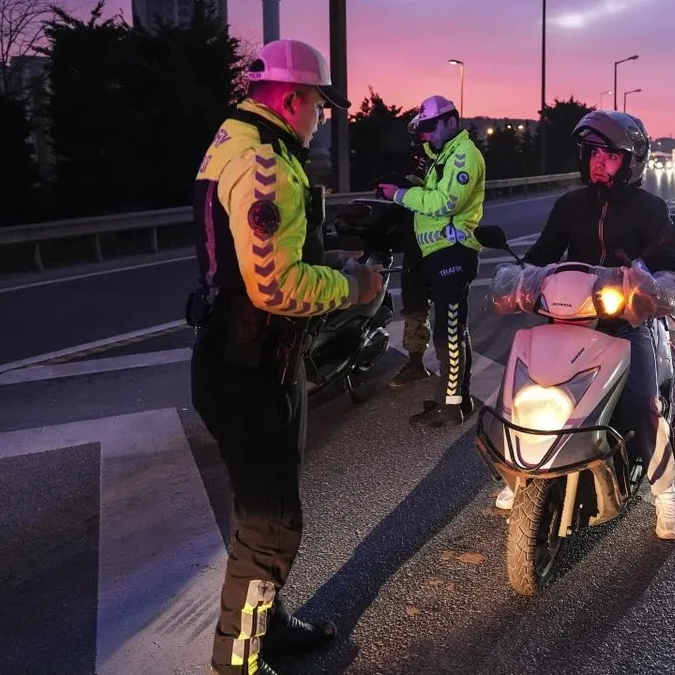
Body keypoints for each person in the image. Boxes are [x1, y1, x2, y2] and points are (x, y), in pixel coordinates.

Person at [187, 38, 383, 675]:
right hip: (249, 367)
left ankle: (267, 627)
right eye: (319, 106)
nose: (321, 117)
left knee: (268, 504)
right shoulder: (264, 164)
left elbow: (271, 260)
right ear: (292, 99)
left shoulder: (235, 140)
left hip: (254, 359)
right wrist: (354, 287)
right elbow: (275, 286)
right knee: (270, 525)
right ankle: (237, 661)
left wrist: (329, 258)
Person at [497, 110, 675, 540]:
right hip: (569, 315)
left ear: (632, 161)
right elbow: (545, 251)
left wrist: (649, 285)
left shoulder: (651, 208)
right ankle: (520, 472)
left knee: (643, 402)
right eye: (593, 154)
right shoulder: (570, 205)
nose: (599, 163)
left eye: (611, 156)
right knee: (523, 385)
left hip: (625, 321)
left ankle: (664, 491)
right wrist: (521, 278)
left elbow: (666, 271)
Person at [376, 95, 485, 427]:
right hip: (439, 253)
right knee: (453, 330)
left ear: (451, 122)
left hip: (453, 253)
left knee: (448, 334)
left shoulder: (464, 155)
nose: (426, 136)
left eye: (431, 128)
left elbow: (445, 202)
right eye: (422, 130)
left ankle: (450, 406)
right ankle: (457, 399)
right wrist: (413, 179)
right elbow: (433, 187)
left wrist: (399, 194)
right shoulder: (444, 155)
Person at [388, 140, 435, 387]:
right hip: (416, 252)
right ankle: (416, 363)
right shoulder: (412, 176)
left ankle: (453, 374)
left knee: (447, 315)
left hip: (437, 251)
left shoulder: (445, 170)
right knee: (415, 309)